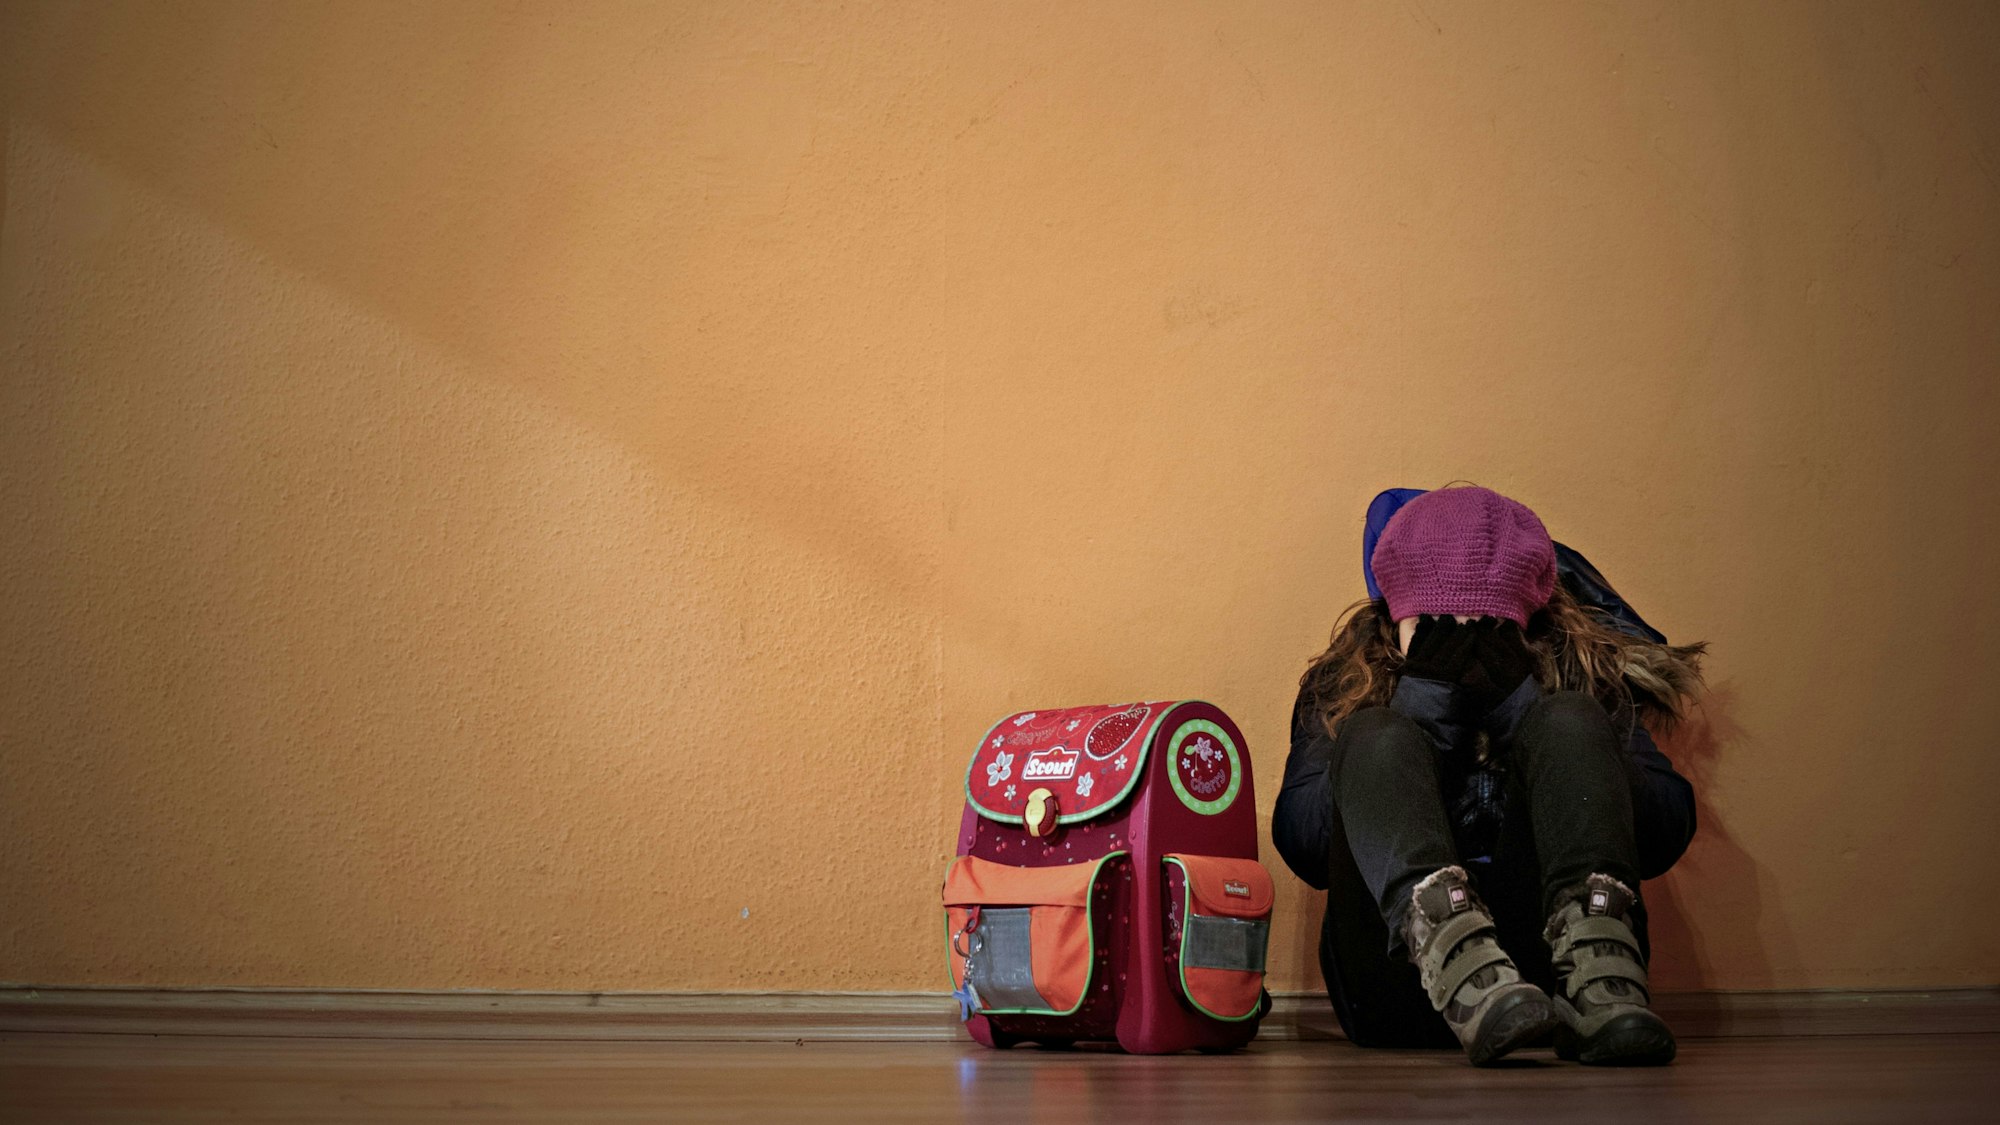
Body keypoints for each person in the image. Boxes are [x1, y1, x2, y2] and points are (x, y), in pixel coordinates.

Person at [1271, 485, 1706, 1066]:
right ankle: (1461, 966)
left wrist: (1523, 710)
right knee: (1375, 733)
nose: (1462, 646)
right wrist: (1420, 708)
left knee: (1568, 719)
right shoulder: (1344, 682)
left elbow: (1663, 830)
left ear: (1528, 623)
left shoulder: (1579, 674)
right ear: (1394, 617)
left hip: (1555, 983)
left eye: (1487, 628)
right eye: (1435, 626)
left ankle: (1602, 982)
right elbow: (1304, 843)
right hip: (1399, 987)